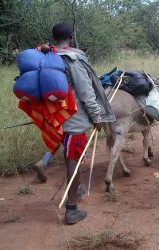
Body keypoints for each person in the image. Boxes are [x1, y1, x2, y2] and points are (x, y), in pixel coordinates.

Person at [52, 23, 115, 224]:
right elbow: (86, 93)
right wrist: (97, 118)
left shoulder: (50, 56)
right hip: (74, 122)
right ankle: (71, 210)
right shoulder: (73, 59)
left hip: (56, 119)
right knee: (74, 161)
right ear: (71, 36)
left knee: (70, 155)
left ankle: (76, 188)